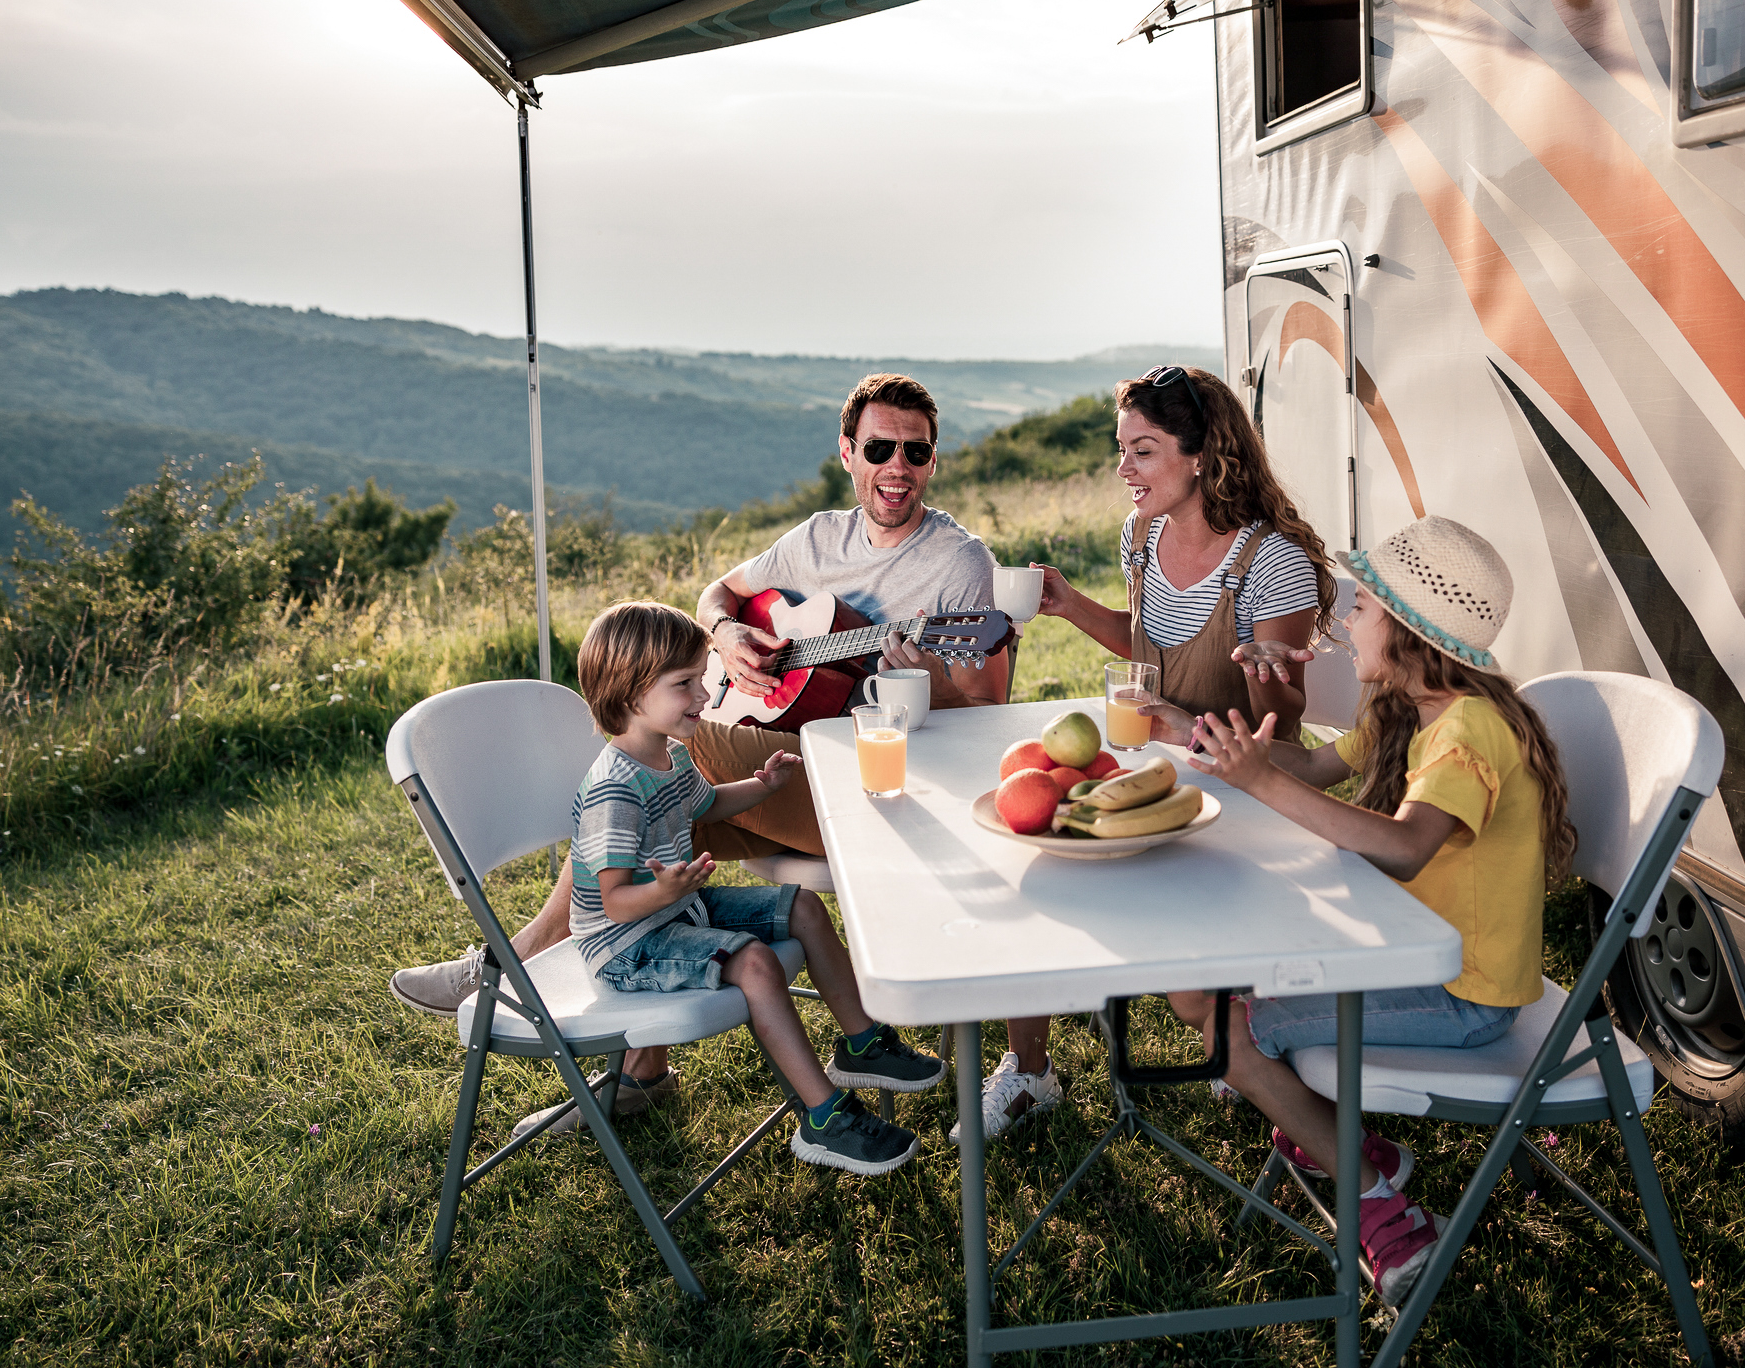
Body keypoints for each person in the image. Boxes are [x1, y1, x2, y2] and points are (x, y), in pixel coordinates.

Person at [390, 373, 1003, 1129]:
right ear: (848, 452)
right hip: (780, 772)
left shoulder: (957, 564)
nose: (898, 466)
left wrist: (924, 676)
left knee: (657, 761)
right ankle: (639, 1070)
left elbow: (985, 710)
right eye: (880, 447)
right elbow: (719, 591)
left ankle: (496, 967)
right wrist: (726, 633)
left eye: (916, 450)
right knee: (658, 814)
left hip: (881, 789)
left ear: (933, 460)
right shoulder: (815, 539)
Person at [1165, 516, 1577, 1307]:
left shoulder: (1468, 732)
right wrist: (1201, 734)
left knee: (1228, 1026)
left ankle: (1378, 1201)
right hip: (1405, 954)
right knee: (1199, 993)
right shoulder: (1413, 711)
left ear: (1409, 631)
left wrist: (1258, 783)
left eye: (1363, 606)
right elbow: (1315, 765)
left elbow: (1403, 847)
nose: (1346, 616)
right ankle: (1341, 1142)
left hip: (1462, 992)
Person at [957, 365, 1341, 1144]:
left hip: (1247, 794)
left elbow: (1280, 724)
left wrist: (1259, 678)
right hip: (1155, 770)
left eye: (1142, 451)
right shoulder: (1142, 535)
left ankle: (1246, 1037)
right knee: (1028, 872)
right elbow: (1144, 648)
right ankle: (1032, 1066)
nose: (1122, 471)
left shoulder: (1271, 563)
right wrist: (1069, 607)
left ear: (1202, 455)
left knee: (1157, 954)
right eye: (1120, 450)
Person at [565, 599, 943, 1173]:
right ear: (631, 694)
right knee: (757, 962)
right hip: (627, 946)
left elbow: (710, 803)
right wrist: (664, 892)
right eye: (685, 684)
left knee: (805, 909)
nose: (702, 695)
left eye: (699, 679)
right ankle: (823, 1117)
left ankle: (862, 1041)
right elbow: (615, 903)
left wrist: (762, 786)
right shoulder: (613, 790)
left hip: (675, 909)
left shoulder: (669, 754)